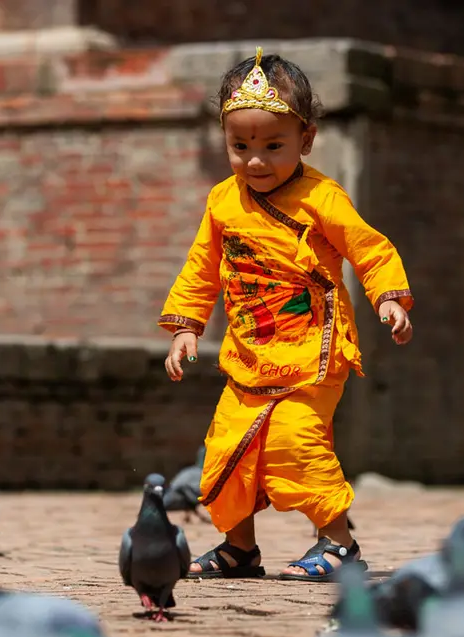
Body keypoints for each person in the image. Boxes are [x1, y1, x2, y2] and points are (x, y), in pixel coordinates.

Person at [158, 47, 414, 582]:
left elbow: (368, 248)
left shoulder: (322, 197)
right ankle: (238, 548)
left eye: (273, 146)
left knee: (295, 443)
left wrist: (388, 296)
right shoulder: (222, 202)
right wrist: (186, 327)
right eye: (240, 146)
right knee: (228, 447)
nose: (255, 161)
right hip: (249, 350)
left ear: (307, 140)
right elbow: (201, 267)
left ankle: (339, 543)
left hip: (310, 349)